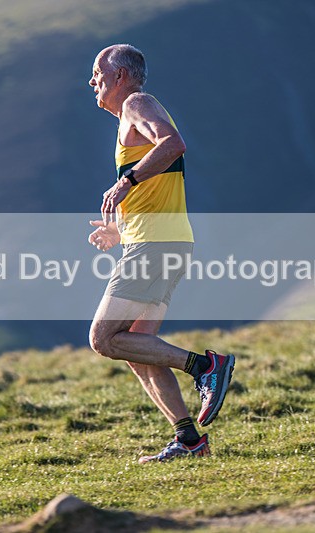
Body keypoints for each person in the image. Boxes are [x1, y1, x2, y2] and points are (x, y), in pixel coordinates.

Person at [86, 44, 235, 463]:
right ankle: (190, 440)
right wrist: (120, 230)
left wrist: (125, 182)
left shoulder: (137, 102)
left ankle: (205, 367)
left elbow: (172, 144)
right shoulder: (126, 119)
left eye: (98, 73)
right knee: (137, 346)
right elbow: (161, 181)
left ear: (120, 76)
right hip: (155, 239)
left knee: (103, 338)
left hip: (157, 243)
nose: (92, 82)